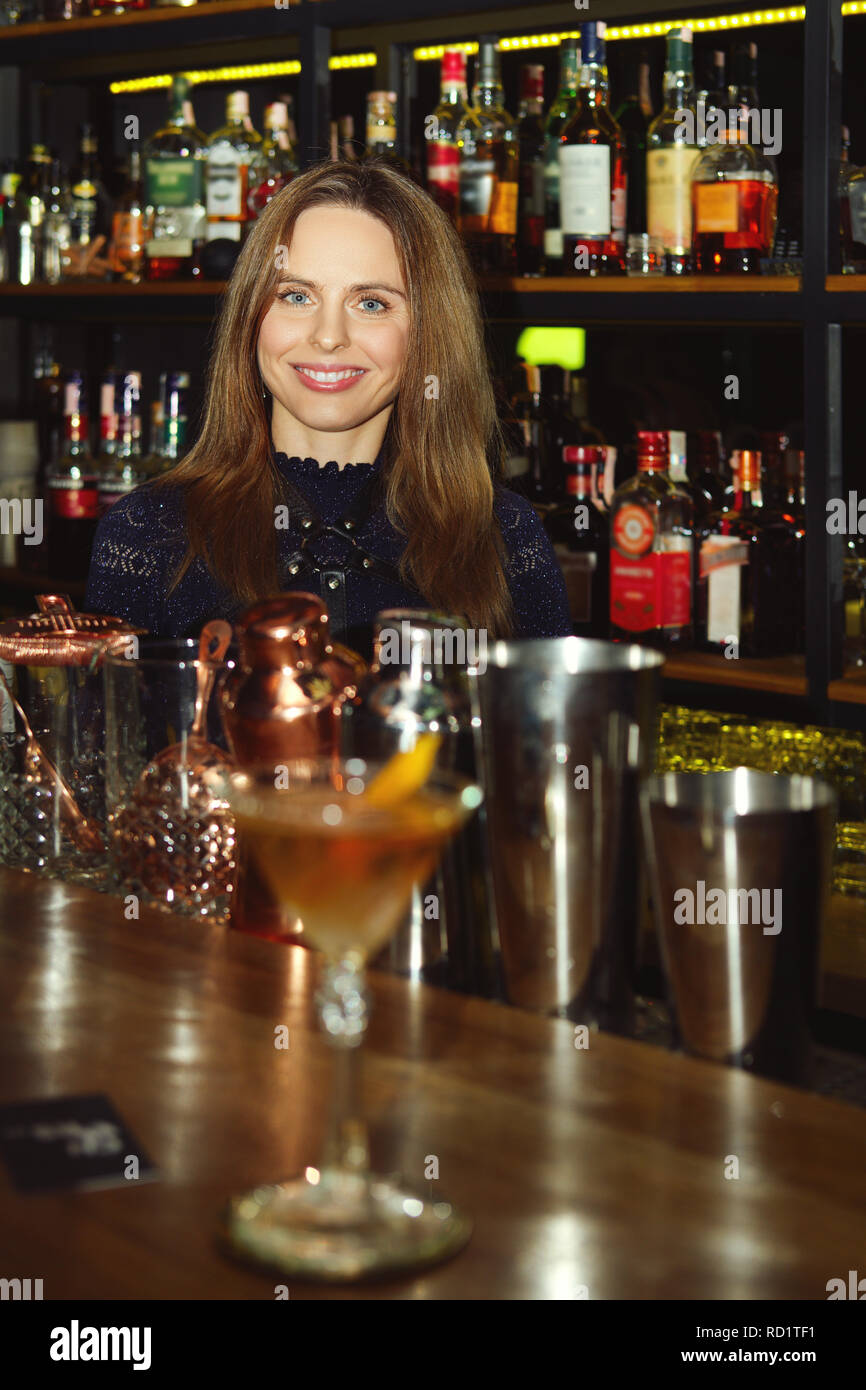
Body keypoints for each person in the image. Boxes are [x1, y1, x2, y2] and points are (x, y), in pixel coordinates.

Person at [85, 158, 571, 658]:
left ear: (428, 332)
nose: (328, 336)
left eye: (372, 303)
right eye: (296, 295)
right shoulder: (147, 530)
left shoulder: (505, 536)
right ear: (251, 317)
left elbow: (552, 733)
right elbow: (108, 732)